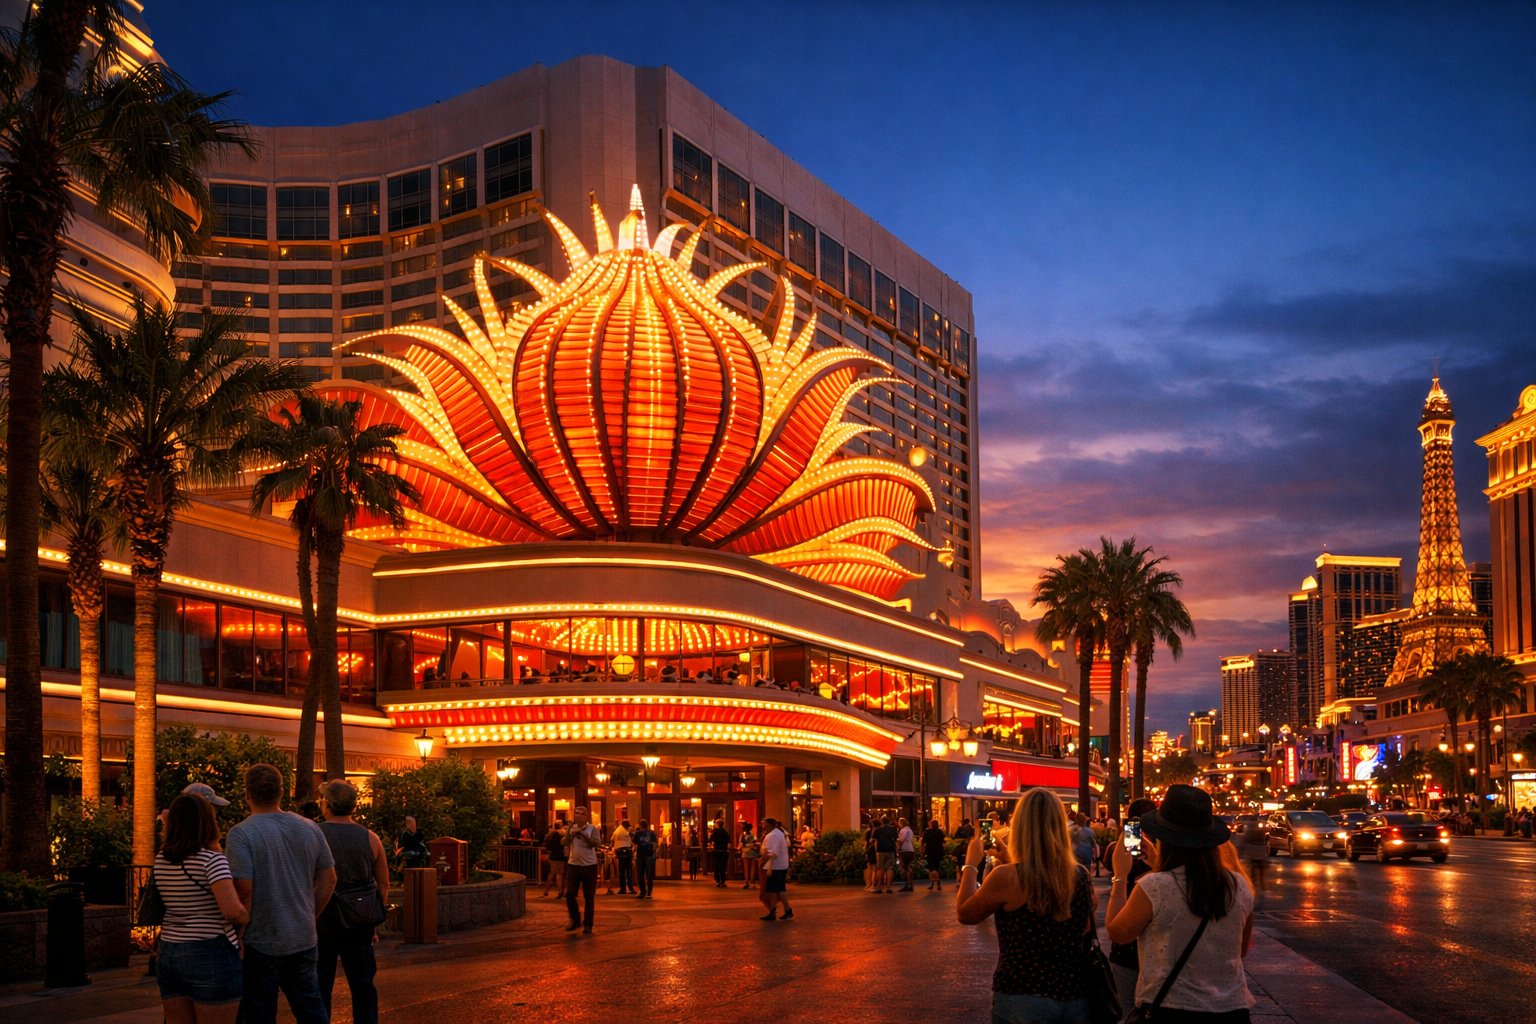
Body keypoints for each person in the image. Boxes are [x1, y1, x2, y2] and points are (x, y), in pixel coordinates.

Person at [1107, 784, 1255, 1022]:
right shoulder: (1239, 885)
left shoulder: (1155, 886)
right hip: (1231, 1009)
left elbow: (1118, 932)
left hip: (1171, 1010)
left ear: (1164, 838)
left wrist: (1120, 875)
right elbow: (1241, 949)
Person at [955, 788, 1096, 1024]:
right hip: (1074, 996)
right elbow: (1080, 921)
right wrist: (1010, 859)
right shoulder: (1080, 876)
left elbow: (965, 913)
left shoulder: (1006, 877)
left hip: (1022, 993)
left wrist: (970, 864)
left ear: (1020, 827)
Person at [226, 763, 336, 1024]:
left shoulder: (241, 834)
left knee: (258, 1012)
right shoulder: (310, 828)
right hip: (303, 936)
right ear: (282, 792)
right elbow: (329, 878)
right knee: (311, 1007)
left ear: (247, 795)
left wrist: (239, 932)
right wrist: (311, 912)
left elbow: (244, 891)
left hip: (260, 940)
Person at [154, 793, 249, 1024]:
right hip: (210, 950)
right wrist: (245, 915)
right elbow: (231, 911)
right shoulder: (212, 860)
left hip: (169, 950)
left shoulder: (162, 859)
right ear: (207, 822)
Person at [316, 780, 390, 1024]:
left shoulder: (315, 834)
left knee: (320, 984)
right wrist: (373, 920)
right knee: (363, 985)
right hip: (359, 918)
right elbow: (383, 883)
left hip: (322, 917)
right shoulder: (370, 838)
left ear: (327, 804)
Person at [1107, 797, 1157, 1018]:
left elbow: (1116, 930)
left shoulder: (1123, 854)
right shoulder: (1162, 859)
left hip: (1127, 951)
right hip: (1157, 954)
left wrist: (1120, 876)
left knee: (1127, 1014)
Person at [563, 806, 601, 933]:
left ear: (586, 816)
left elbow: (596, 843)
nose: (577, 816)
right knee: (570, 894)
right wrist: (570, 830)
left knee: (588, 896)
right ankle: (575, 919)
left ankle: (588, 924)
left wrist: (583, 835)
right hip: (573, 864)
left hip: (589, 866)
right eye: (575, 813)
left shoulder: (592, 829)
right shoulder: (572, 828)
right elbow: (564, 842)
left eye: (580, 814)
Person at [758, 817, 793, 921]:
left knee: (772, 890)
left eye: (764, 823)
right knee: (780, 889)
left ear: (769, 825)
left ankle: (773, 912)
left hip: (775, 866)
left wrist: (762, 862)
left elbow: (772, 853)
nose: (762, 826)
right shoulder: (776, 834)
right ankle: (787, 910)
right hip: (779, 865)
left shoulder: (774, 835)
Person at [1237, 816, 1268, 893]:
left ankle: (1254, 883)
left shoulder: (1248, 826)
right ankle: (1260, 884)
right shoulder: (1258, 827)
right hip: (1259, 849)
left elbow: (1245, 838)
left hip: (1254, 849)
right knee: (1260, 868)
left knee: (1254, 868)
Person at [632, 818, 658, 899]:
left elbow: (635, 845)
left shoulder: (637, 833)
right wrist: (653, 853)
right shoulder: (652, 833)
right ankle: (649, 893)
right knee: (649, 875)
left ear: (640, 825)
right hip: (649, 856)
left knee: (640, 874)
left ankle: (642, 892)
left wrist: (634, 855)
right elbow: (654, 844)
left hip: (640, 855)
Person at [872, 815, 898, 893]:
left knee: (880, 869)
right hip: (890, 850)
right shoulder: (893, 829)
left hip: (880, 851)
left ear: (881, 821)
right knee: (889, 869)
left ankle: (879, 887)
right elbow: (896, 840)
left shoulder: (878, 830)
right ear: (889, 821)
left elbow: (873, 840)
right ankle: (888, 888)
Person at [542, 822, 567, 898]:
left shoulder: (552, 834)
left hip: (554, 856)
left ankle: (546, 890)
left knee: (552, 873)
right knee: (560, 874)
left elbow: (549, 844)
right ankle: (561, 891)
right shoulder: (563, 833)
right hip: (562, 856)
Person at [922, 818, 947, 891]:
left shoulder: (927, 832)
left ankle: (932, 883)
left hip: (929, 851)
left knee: (931, 867)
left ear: (931, 825)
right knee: (937, 867)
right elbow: (943, 841)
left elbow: (923, 842)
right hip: (938, 852)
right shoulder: (940, 832)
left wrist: (922, 850)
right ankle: (938, 884)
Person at [612, 819, 635, 895]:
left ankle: (623, 889)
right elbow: (630, 842)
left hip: (620, 853)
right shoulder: (625, 832)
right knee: (629, 871)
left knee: (622, 872)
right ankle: (630, 888)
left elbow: (612, 840)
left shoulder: (617, 831)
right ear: (626, 826)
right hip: (627, 853)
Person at [896, 816, 917, 891]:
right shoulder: (910, 830)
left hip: (904, 849)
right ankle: (911, 884)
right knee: (910, 867)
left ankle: (906, 884)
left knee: (905, 867)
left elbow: (902, 839)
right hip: (911, 849)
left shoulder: (903, 830)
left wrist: (896, 840)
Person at [709, 817, 732, 887]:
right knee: (723, 866)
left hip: (716, 851)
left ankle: (717, 880)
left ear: (717, 824)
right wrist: (728, 849)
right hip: (723, 851)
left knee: (716, 866)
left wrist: (712, 847)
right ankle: (723, 881)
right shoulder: (725, 832)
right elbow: (728, 842)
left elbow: (712, 842)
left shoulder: (714, 832)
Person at [739, 823, 761, 888]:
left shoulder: (742, 835)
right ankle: (751, 881)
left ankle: (746, 882)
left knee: (746, 868)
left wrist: (745, 846)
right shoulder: (753, 835)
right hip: (753, 852)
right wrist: (752, 845)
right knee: (752, 868)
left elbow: (741, 845)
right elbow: (756, 843)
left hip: (745, 853)